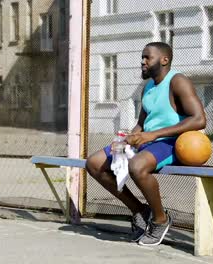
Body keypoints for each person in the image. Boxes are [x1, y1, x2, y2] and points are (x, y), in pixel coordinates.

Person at [85, 42, 206, 246]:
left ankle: (161, 220)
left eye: (147, 57)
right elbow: (142, 123)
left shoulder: (178, 81)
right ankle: (141, 211)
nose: (142, 61)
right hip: (150, 141)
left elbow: (199, 119)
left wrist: (152, 135)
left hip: (172, 142)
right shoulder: (147, 87)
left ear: (164, 60)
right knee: (94, 163)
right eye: (142, 57)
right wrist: (129, 138)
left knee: (137, 166)